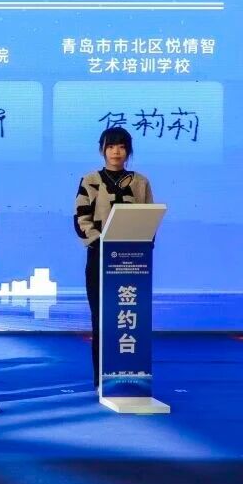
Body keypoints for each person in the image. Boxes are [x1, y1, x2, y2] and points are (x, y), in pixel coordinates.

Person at [74, 126, 153, 387]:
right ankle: (102, 379)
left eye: (121, 146)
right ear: (102, 150)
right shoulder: (90, 180)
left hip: (132, 262)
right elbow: (81, 219)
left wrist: (142, 247)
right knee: (102, 318)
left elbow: (149, 219)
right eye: (110, 146)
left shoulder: (140, 182)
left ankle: (129, 374)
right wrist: (102, 244)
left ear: (128, 151)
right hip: (99, 259)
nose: (116, 151)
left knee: (130, 318)